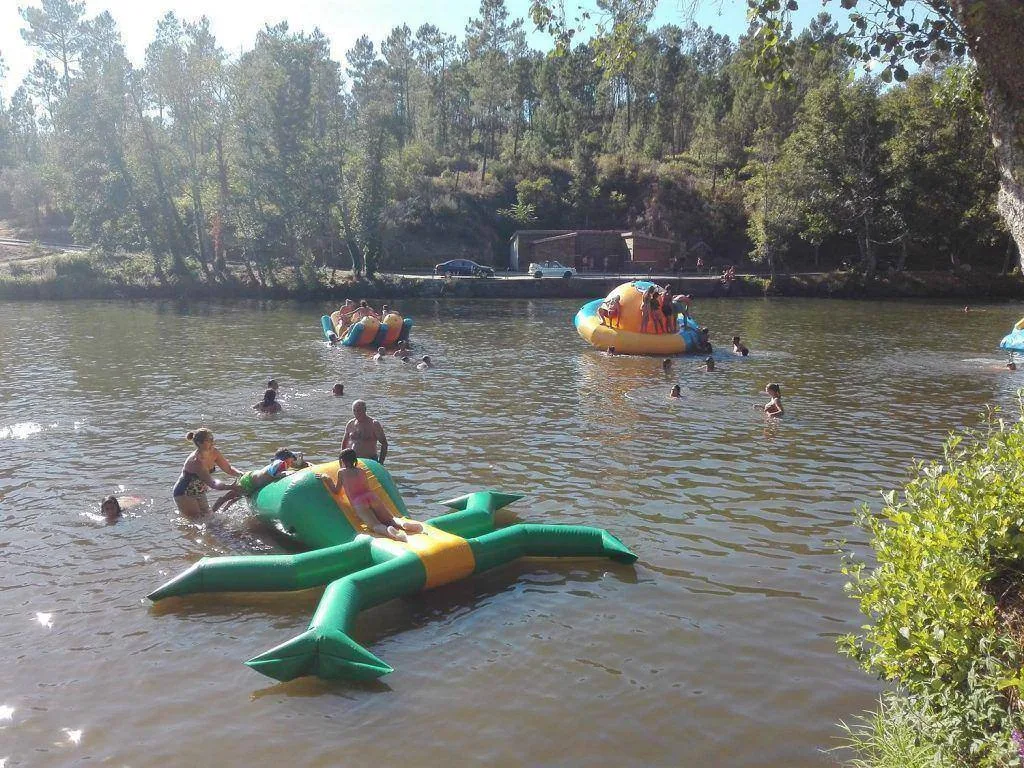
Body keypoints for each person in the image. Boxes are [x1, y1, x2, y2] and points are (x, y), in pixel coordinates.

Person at [318, 449, 423, 541]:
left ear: (342, 461)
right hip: (371, 497)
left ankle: (389, 532)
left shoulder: (342, 472)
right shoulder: (362, 471)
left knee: (375, 525)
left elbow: (336, 490)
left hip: (358, 502)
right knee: (390, 519)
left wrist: (327, 478)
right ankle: (403, 524)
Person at [172, 428, 242, 516]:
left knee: (209, 519)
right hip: (184, 493)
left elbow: (228, 469)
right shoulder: (196, 461)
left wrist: (241, 474)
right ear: (199, 443)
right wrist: (231, 487)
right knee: (197, 521)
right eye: (209, 440)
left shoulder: (214, 452)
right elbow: (212, 483)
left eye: (212, 439)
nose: (212, 442)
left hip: (200, 491)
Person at [212, 448, 299, 513]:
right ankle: (214, 510)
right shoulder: (279, 463)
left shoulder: (281, 464)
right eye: (290, 461)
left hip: (252, 482)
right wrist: (286, 474)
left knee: (235, 498)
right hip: (248, 481)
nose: (291, 464)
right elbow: (274, 473)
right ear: (284, 458)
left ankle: (222, 511)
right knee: (229, 497)